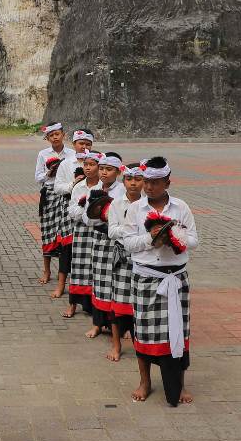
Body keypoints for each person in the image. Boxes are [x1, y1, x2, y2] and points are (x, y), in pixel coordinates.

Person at [123, 156, 197, 407]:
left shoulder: (181, 207)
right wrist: (150, 238)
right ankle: (145, 381)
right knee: (143, 332)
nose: (149, 187)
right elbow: (128, 243)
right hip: (147, 277)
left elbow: (195, 240)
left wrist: (175, 236)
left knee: (178, 332)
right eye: (146, 181)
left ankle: (181, 383)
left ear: (167, 182)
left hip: (176, 277)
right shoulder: (135, 209)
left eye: (155, 182)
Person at [83, 151, 126, 337]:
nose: (104, 173)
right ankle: (98, 324)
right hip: (100, 240)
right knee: (99, 282)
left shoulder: (122, 191)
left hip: (117, 241)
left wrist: (109, 219)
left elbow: (124, 218)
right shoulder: (94, 190)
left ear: (118, 172)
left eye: (109, 169)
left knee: (118, 283)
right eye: (101, 169)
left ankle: (123, 327)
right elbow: (86, 217)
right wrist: (100, 217)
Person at [106, 163, 145, 362]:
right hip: (122, 256)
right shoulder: (117, 203)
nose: (133, 183)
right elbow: (112, 231)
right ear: (124, 181)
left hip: (144, 258)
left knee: (140, 303)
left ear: (145, 182)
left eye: (138, 179)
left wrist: (128, 230)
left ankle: (141, 343)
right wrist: (130, 231)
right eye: (129, 179)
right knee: (118, 304)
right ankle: (116, 344)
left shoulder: (149, 204)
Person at [49, 129, 92, 297]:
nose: (84, 147)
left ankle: (87, 287)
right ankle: (61, 285)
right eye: (81, 143)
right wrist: (73, 184)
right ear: (74, 144)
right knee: (67, 248)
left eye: (88, 144)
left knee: (87, 249)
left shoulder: (96, 162)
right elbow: (57, 187)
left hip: (90, 209)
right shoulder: (67, 163)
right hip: (69, 206)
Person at [64, 149, 104, 324]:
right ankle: (73, 303)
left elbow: (103, 212)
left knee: (96, 267)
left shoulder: (103, 187)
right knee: (79, 265)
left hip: (98, 231)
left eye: (92, 165)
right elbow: (71, 210)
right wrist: (85, 211)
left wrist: (90, 214)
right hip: (80, 231)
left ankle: (97, 306)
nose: (87, 168)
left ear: (99, 167)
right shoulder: (78, 186)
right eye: (85, 165)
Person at [35, 123, 73, 287]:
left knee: (66, 233)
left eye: (57, 134)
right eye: (51, 135)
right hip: (49, 193)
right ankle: (46, 270)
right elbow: (37, 177)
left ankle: (63, 272)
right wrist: (48, 173)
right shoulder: (43, 154)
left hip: (66, 194)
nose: (55, 137)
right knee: (48, 231)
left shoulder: (71, 154)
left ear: (63, 135)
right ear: (47, 138)